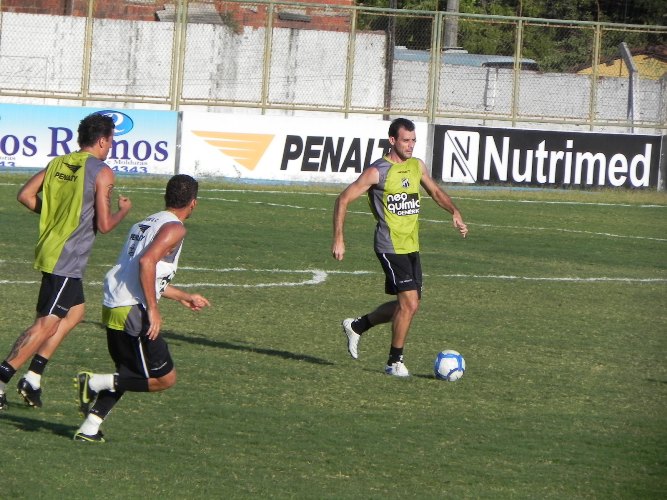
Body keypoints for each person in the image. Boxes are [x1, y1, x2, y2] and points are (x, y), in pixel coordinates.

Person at [0, 112, 132, 411]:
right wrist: (124, 209)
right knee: (45, 325)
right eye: (111, 140)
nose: (111, 146)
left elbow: (24, 195)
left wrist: (54, 217)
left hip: (52, 249)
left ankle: (32, 377)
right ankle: (2, 379)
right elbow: (106, 224)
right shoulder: (102, 172)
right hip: (67, 257)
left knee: (74, 314)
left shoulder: (58, 163)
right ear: (101, 140)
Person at [73, 174, 210, 443]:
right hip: (132, 311)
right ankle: (92, 382)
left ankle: (89, 427)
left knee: (129, 374)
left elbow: (139, 272)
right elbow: (146, 263)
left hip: (116, 305)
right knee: (164, 378)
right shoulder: (175, 228)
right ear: (193, 203)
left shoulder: (146, 222)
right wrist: (152, 309)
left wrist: (183, 296)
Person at [332, 117, 468, 377]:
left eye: (414, 140)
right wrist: (339, 238)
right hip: (389, 245)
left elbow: (436, 192)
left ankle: (358, 326)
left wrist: (455, 211)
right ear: (392, 140)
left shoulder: (417, 166)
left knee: (408, 305)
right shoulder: (377, 171)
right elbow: (343, 199)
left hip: (411, 245)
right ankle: (394, 362)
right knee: (409, 304)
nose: (411, 145)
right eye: (406, 140)